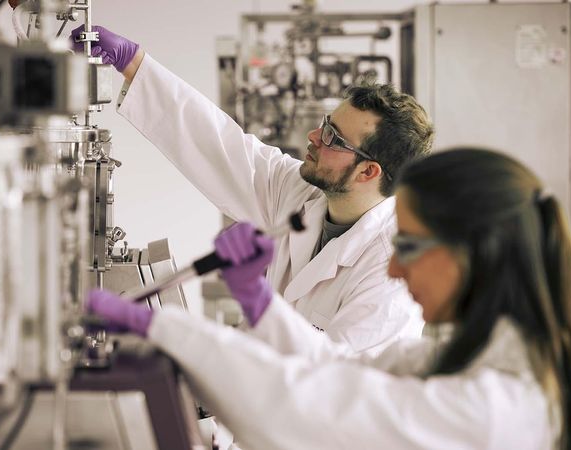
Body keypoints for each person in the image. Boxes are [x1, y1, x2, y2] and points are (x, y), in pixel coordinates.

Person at [87, 148, 571, 449]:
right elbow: (336, 371)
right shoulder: (469, 356)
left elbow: (307, 415)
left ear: (474, 252)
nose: (393, 268)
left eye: (409, 247)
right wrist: (256, 298)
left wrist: (166, 328)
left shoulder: (498, 408)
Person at [72, 25, 435, 352]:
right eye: (325, 124)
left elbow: (331, 385)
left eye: (332, 137)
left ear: (368, 171)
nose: (313, 136)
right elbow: (220, 146)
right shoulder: (301, 193)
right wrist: (134, 64)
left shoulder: (393, 274)